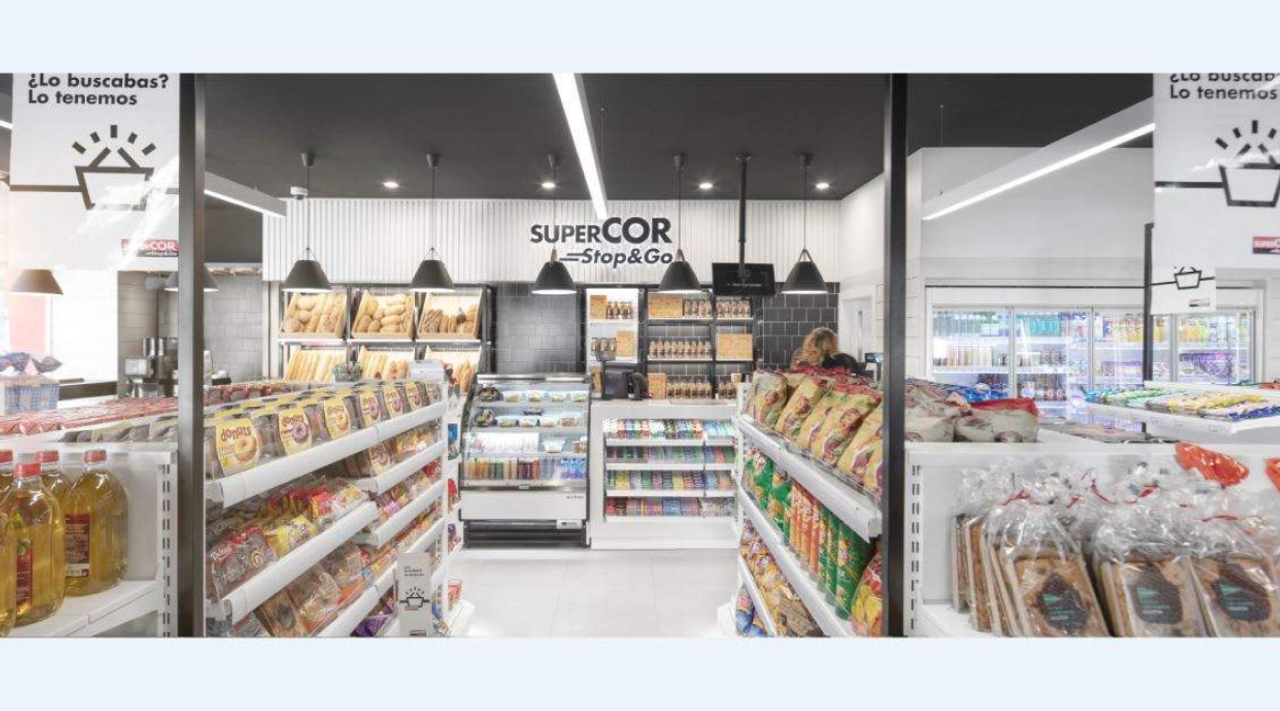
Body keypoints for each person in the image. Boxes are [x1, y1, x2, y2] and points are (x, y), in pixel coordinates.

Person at [791, 327, 865, 375]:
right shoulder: (845, 359)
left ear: (809, 341)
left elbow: (792, 377)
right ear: (833, 342)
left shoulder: (799, 355)